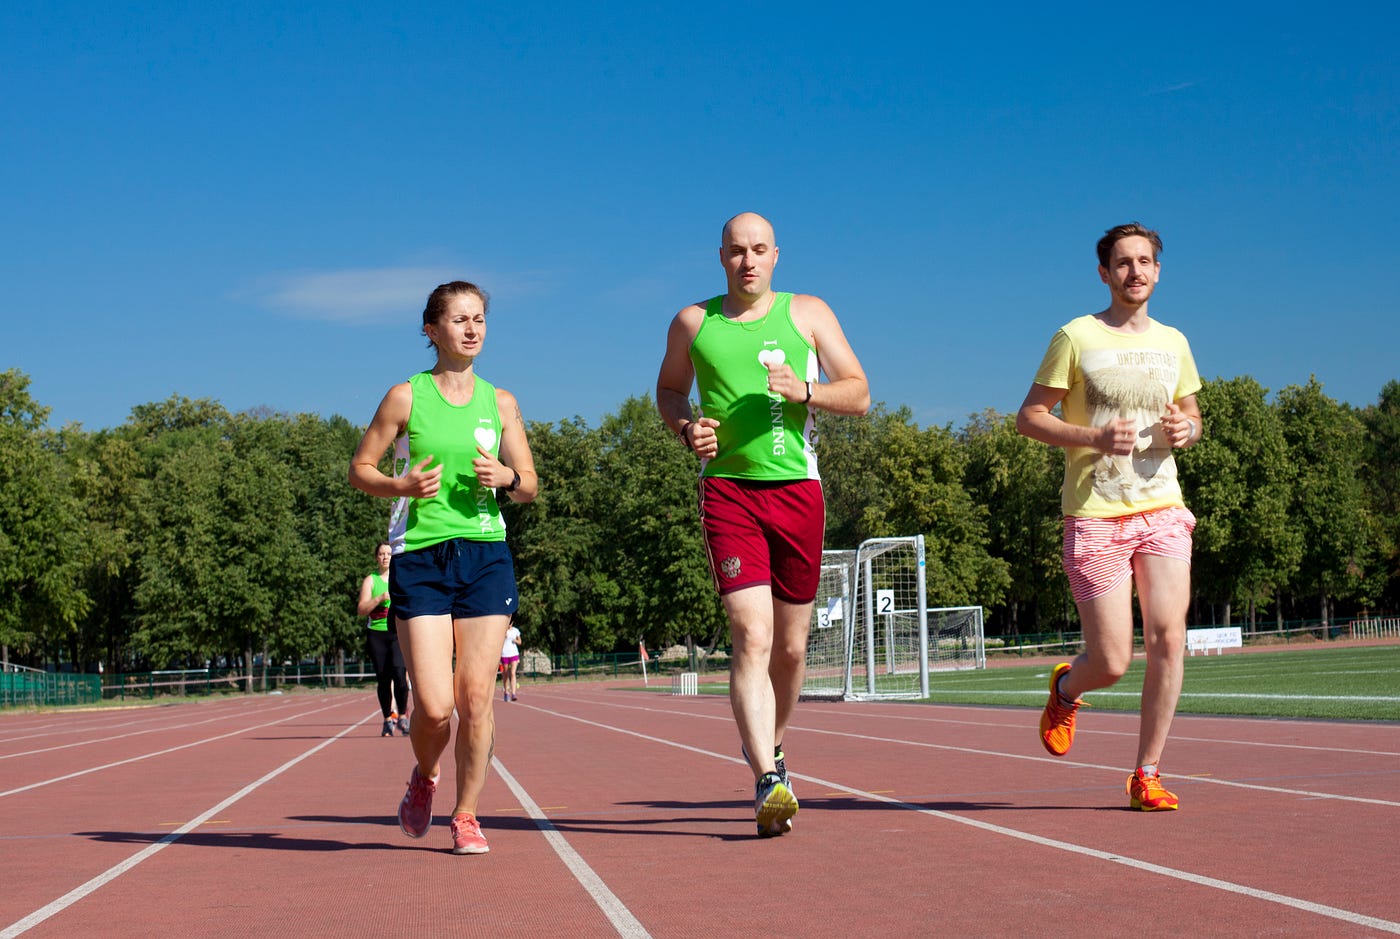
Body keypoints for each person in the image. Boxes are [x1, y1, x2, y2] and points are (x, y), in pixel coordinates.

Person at [655, 212, 870, 837]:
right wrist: (684, 427)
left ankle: (771, 749)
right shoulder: (694, 322)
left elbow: (857, 391)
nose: (747, 261)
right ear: (720, 257)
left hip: (799, 492)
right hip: (729, 493)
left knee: (793, 647)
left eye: (758, 251)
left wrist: (807, 389)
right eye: (735, 252)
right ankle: (767, 780)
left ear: (776, 255)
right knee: (752, 634)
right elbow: (669, 391)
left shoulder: (808, 313)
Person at [1015, 222, 1202, 811]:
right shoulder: (1075, 336)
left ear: (1158, 270)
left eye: (1145, 262)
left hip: (1162, 508)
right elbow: (1029, 417)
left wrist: (1187, 430)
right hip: (1096, 513)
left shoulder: (1174, 341)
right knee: (1115, 660)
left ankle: (1146, 774)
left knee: (1170, 640)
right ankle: (1068, 687)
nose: (1135, 272)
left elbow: (1191, 416)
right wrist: (1093, 434)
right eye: (1123, 263)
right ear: (1104, 272)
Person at [349, 280, 538, 855]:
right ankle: (426, 775)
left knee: (475, 698)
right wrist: (397, 485)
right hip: (421, 558)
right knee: (433, 707)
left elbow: (528, 484)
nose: (472, 329)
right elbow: (360, 468)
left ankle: (467, 814)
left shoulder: (501, 401)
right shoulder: (406, 397)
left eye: (479, 318)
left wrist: (506, 479)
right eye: (459, 319)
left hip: (485, 554)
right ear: (432, 331)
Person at [357, 540, 410, 736]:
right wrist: (379, 598)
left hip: (397, 633)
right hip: (377, 635)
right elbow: (361, 609)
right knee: (383, 679)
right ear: (377, 557)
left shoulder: (401, 578)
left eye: (389, 553)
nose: (386, 557)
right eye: (382, 554)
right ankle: (388, 719)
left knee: (400, 675)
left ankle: (403, 717)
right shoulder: (371, 580)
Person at [500, 618, 522, 702]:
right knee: (505, 674)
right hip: (504, 654)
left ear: (512, 623)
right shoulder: (502, 630)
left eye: (510, 623)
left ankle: (513, 694)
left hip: (514, 653)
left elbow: (520, 642)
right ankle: (506, 692)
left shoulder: (515, 630)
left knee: (512, 673)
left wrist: (515, 640)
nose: (509, 624)